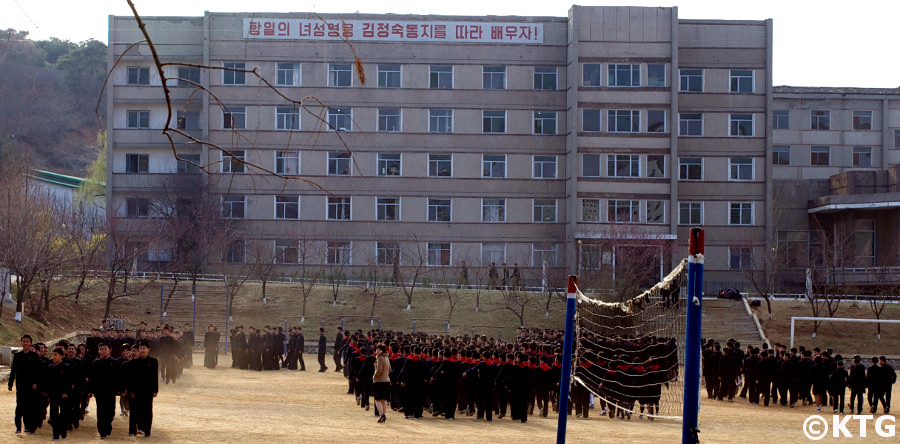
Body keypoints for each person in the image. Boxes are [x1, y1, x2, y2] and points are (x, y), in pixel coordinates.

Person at [124, 340, 159, 437]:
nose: (142, 350)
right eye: (140, 348)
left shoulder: (153, 361)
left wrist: (155, 390)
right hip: (136, 391)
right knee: (135, 410)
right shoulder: (134, 362)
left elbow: (155, 377)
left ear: (148, 349)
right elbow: (131, 378)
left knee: (147, 411)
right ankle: (133, 430)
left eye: (144, 348)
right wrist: (131, 390)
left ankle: (147, 430)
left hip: (148, 391)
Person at [9, 335, 42, 434]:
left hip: (31, 385)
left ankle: (28, 426)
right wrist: (10, 383)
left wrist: (36, 382)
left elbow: (37, 371)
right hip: (20, 384)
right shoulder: (17, 355)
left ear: (31, 343)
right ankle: (18, 426)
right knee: (19, 405)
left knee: (29, 406)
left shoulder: (35, 355)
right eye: (24, 341)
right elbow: (13, 370)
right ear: (21, 343)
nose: (25, 343)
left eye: (27, 341)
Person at [90, 342, 123, 439]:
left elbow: (119, 377)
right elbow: (93, 378)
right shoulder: (96, 363)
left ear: (110, 350)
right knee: (100, 411)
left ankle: (108, 424)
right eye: (101, 349)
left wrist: (120, 389)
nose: (103, 351)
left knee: (110, 411)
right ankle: (102, 432)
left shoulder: (115, 362)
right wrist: (91, 390)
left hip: (111, 391)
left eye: (105, 349)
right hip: (99, 391)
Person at [43, 348, 73, 441]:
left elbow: (69, 382)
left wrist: (66, 392)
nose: (54, 357)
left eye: (56, 355)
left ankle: (62, 430)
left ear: (62, 356)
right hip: (53, 395)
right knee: (53, 415)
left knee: (63, 414)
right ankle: (55, 434)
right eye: (53, 355)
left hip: (63, 395)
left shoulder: (66, 367)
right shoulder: (50, 367)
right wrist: (47, 394)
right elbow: (47, 382)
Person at [373, 344, 391, 423]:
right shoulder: (387, 357)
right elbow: (390, 369)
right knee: (383, 400)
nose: (377, 351)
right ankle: (384, 414)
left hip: (379, 381)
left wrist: (374, 376)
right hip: (386, 380)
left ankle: (381, 414)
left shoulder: (380, 358)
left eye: (378, 350)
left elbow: (379, 370)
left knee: (377, 399)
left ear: (382, 350)